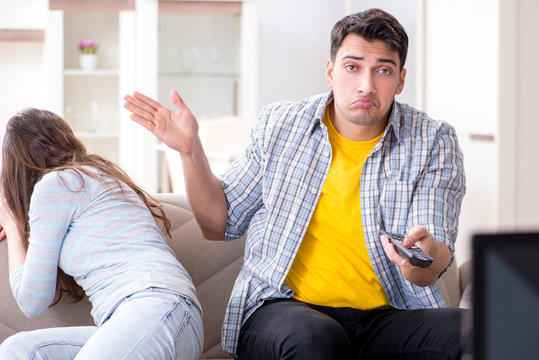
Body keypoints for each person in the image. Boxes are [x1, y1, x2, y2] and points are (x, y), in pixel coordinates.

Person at [123, 8, 466, 360]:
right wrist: (189, 150)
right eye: (352, 67)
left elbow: (431, 265)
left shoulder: (433, 140)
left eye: (383, 70)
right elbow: (217, 224)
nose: (366, 85)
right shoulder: (281, 124)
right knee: (317, 338)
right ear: (331, 71)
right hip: (281, 309)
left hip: (387, 316)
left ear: (400, 80)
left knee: (481, 330)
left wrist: (420, 258)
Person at [0, 108, 203, 359]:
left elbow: (31, 300)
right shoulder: (102, 178)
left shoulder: (54, 185)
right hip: (161, 318)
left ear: (16, 168)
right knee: (18, 350)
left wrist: (11, 225)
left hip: (153, 309)